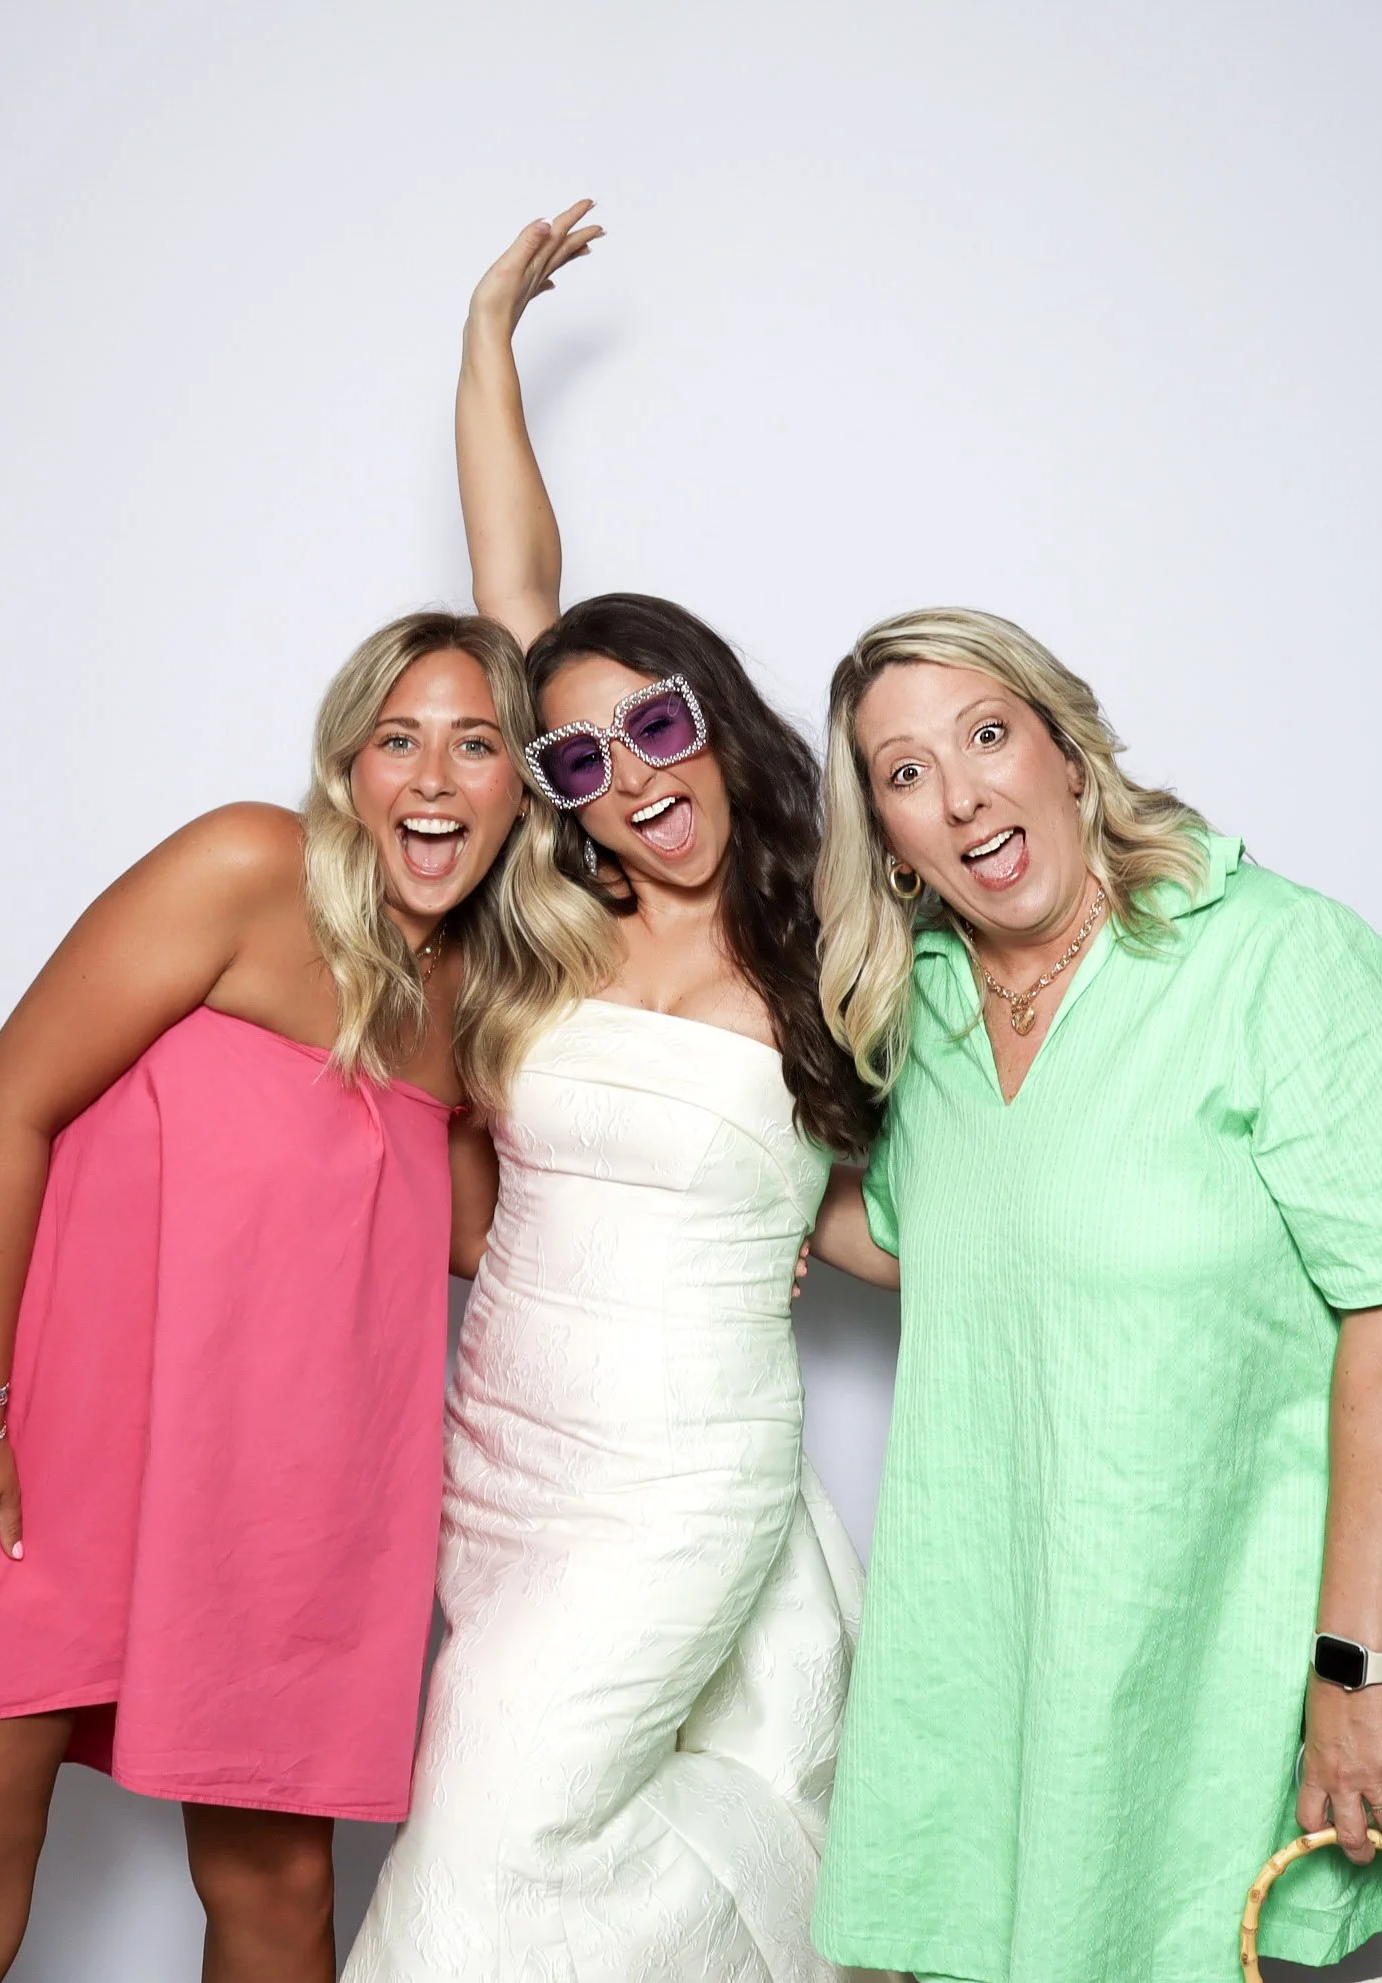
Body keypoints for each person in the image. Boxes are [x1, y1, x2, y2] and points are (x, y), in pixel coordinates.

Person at [345, 209, 885, 1983]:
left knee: (484, 1854)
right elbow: (519, 592)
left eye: (658, 726)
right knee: (510, 1829)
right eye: (580, 757)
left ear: (713, 717)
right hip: (501, 1455)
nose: (632, 775)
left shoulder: (840, 947)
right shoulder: (557, 925)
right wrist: (489, 331)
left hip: (679, 1475)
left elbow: (877, 1202)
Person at [805, 606, 1382, 1982]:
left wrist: (1357, 1669)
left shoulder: (1277, 956)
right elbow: (930, 1239)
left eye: (987, 735)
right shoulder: (928, 1011)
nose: (962, 791)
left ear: (1069, 749)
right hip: (987, 1662)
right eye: (906, 772)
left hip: (1209, 1660)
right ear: (889, 837)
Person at [0, 611, 533, 1983]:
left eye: (477, 743)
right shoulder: (247, 866)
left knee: (280, 1907)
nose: (435, 779)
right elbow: (7, 1104)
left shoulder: (470, 994)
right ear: (349, 767)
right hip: (47, 1455)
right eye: (400, 741)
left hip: (276, 1502)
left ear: (525, 785)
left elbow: (480, 1236)